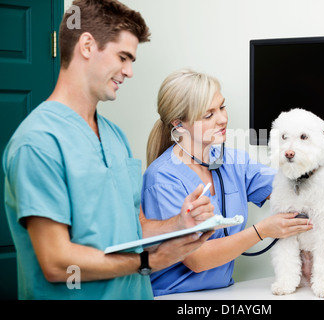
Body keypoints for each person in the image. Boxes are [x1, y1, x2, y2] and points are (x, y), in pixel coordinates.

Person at [2, 0, 214, 300]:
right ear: (87, 45)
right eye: (123, 57)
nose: (128, 72)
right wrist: (149, 262)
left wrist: (178, 225)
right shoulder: (37, 143)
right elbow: (56, 262)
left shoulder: (114, 137)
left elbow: (133, 229)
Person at [142, 69, 313, 296]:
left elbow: (291, 186)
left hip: (223, 293)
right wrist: (262, 230)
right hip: (175, 295)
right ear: (179, 124)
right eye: (208, 114)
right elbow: (197, 260)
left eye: (222, 107)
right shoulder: (162, 178)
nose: (222, 119)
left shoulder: (233, 162)